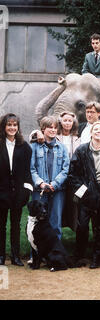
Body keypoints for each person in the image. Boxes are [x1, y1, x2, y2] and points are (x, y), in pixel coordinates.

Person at [68, 121, 100, 269]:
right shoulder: (81, 150)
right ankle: (79, 256)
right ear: (91, 132)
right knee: (82, 225)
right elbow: (72, 175)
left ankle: (97, 257)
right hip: (86, 192)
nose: (98, 132)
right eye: (96, 129)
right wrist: (83, 189)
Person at [0, 113, 32, 266]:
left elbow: (27, 171)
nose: (12, 128)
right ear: (4, 127)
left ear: (18, 127)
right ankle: (1, 256)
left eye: (14, 125)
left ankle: (15, 256)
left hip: (18, 192)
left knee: (15, 224)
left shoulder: (24, 147)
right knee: (1, 224)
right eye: (9, 125)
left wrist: (26, 191)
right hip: (1, 192)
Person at [30, 116, 70, 240]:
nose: (53, 130)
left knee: (55, 222)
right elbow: (31, 168)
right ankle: (35, 254)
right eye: (49, 127)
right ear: (43, 129)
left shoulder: (62, 148)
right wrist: (41, 183)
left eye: (55, 128)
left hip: (57, 190)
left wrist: (55, 184)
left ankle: (54, 253)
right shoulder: (34, 147)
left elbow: (65, 169)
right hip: (40, 190)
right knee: (37, 221)